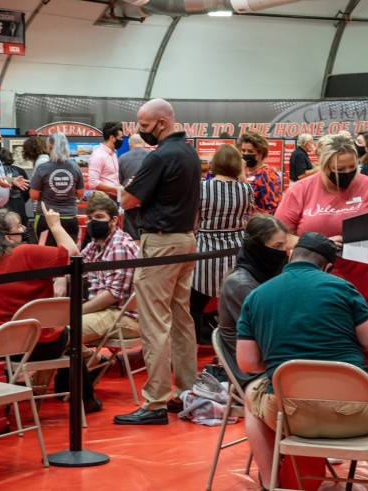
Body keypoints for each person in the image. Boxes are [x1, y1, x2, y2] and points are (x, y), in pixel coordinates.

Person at [236, 233, 368, 488]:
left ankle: (268, 481)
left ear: (290, 256)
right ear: (328, 267)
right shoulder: (342, 288)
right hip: (357, 412)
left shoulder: (256, 295)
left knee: (253, 395)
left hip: (288, 414)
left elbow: (248, 363)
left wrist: (285, 359)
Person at [0, 206, 100, 412]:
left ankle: (57, 388)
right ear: (8, 237)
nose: (23, 230)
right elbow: (73, 253)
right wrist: (55, 224)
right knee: (69, 336)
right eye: (19, 227)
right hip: (23, 344)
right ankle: (85, 399)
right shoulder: (25, 252)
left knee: (61, 335)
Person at [117, 98, 201, 425]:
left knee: (155, 322)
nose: (141, 131)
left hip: (161, 242)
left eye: (145, 125)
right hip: (185, 240)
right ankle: (186, 392)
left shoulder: (160, 156)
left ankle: (155, 401)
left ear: (162, 122)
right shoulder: (190, 153)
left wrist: (126, 188)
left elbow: (127, 200)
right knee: (180, 318)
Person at [277, 134, 368, 329]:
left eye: (352, 167)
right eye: (340, 169)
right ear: (325, 166)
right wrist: (321, 244)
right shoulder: (301, 190)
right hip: (314, 289)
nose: (347, 173)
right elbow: (280, 237)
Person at [191, 144, 255, 344]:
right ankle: (235, 349)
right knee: (237, 306)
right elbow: (248, 218)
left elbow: (193, 224)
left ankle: (193, 350)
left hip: (205, 253)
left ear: (215, 163)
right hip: (235, 252)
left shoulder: (202, 187)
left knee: (195, 307)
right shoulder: (246, 189)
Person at [216, 214, 290, 372]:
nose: (283, 252)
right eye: (277, 246)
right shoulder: (240, 285)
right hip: (253, 371)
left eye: (284, 246)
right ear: (258, 248)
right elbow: (268, 335)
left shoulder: (269, 276)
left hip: (273, 361)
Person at [80, 192, 140, 347]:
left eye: (99, 217)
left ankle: (88, 360)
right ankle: (92, 360)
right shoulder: (95, 244)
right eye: (90, 218)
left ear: (114, 220)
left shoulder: (119, 246)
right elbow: (75, 267)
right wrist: (61, 278)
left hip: (125, 316)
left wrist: (78, 311)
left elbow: (112, 295)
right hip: (105, 311)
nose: (93, 222)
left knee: (62, 333)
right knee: (54, 330)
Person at [30, 132, 84, 245]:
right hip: (69, 218)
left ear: (50, 147)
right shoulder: (75, 167)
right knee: (68, 252)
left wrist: (49, 194)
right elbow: (80, 194)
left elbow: (33, 195)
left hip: (46, 218)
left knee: (46, 252)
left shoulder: (42, 168)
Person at [117, 133, 151, 239]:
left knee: (132, 237)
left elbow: (119, 183)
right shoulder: (152, 156)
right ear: (143, 143)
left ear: (130, 144)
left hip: (130, 204)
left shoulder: (122, 158)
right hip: (149, 204)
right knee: (148, 235)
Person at [240, 130, 282, 213]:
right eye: (243, 150)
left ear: (260, 153)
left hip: (257, 220)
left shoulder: (267, 174)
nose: (246, 154)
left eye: (250, 151)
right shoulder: (241, 171)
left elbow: (274, 208)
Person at [87, 122, 124, 198]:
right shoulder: (98, 155)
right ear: (112, 138)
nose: (121, 140)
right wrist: (116, 189)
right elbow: (93, 182)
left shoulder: (113, 154)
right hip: (104, 199)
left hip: (115, 198)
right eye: (120, 138)